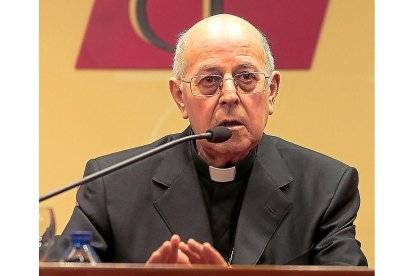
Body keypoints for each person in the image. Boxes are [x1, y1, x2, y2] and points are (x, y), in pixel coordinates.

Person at [50, 14, 367, 266]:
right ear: (180, 97)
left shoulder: (326, 188)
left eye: (246, 78)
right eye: (209, 81)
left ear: (271, 92)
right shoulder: (112, 186)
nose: (229, 95)